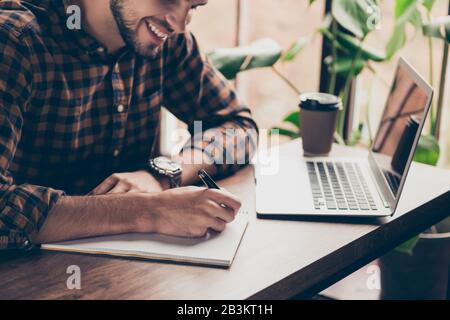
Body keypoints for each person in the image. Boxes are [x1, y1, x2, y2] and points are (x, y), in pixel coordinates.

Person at [0, 0, 258, 250]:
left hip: (128, 272)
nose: (179, 24)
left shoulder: (164, 39)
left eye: (193, 6)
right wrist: (149, 210)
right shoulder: (14, 40)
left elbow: (238, 125)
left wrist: (163, 175)